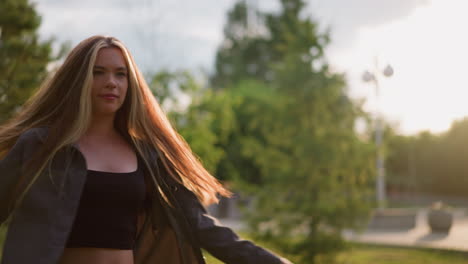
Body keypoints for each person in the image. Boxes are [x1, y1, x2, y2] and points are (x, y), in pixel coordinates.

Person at [0, 35, 292, 264]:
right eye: (98, 72)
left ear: (130, 83)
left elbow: (200, 226)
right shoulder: (40, 145)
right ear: (78, 81)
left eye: (120, 74)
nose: (111, 83)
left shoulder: (149, 156)